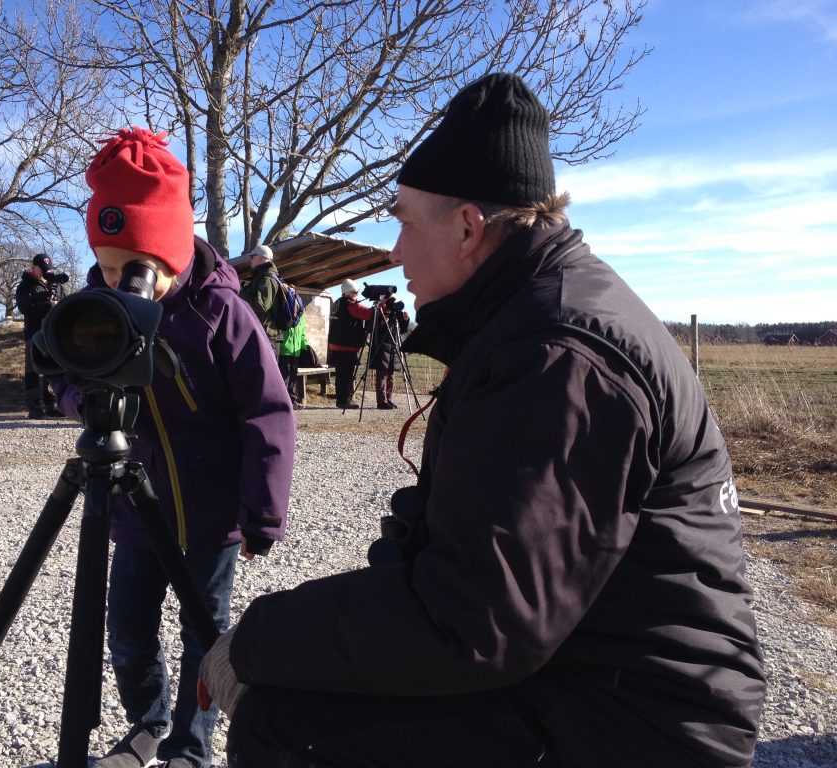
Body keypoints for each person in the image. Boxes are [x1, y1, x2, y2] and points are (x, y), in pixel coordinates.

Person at [199, 73, 765, 767]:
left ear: (468, 226)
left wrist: (256, 639)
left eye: (404, 222)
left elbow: (476, 621)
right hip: (591, 673)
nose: (396, 251)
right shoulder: (530, 317)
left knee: (286, 727)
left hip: (640, 721)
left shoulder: (558, 355)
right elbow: (465, 553)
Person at [55, 127, 296, 768]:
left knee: (204, 635)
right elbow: (55, 365)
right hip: (138, 507)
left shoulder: (222, 312)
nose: (119, 284)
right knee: (127, 631)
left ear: (172, 251)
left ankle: (193, 747)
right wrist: (84, 403)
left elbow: (269, 414)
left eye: (136, 268)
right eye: (105, 268)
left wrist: (262, 511)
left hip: (213, 513)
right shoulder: (96, 307)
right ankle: (149, 725)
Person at [15, 252, 66, 419]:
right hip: (33, 333)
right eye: (42, 269)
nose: (45, 272)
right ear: (34, 267)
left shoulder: (57, 285)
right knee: (32, 371)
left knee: (52, 369)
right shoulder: (25, 286)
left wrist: (58, 305)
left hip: (54, 334)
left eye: (47, 269)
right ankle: (34, 407)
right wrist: (47, 305)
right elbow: (25, 309)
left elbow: (65, 304)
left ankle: (51, 405)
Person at [326, 279, 372, 408]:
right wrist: (382, 306)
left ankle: (344, 399)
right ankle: (343, 401)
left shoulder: (337, 303)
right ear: (347, 292)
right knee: (346, 375)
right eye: (355, 292)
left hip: (336, 343)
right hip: (346, 345)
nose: (357, 295)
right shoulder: (350, 305)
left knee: (342, 374)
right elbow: (368, 314)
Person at [367, 293, 410, 409]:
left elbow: (402, 330)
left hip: (394, 345)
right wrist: (383, 312)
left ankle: (388, 399)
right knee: (382, 375)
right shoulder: (379, 310)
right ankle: (381, 402)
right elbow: (372, 327)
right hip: (382, 346)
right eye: (390, 299)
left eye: (394, 299)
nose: (393, 301)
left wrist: (405, 320)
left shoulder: (396, 313)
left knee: (390, 375)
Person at [237, 244, 279, 343]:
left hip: (265, 336)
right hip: (260, 333)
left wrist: (241, 293)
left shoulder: (267, 279)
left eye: (252, 257)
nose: (250, 260)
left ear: (260, 258)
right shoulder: (260, 278)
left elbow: (261, 305)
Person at [277, 313, 308, 407]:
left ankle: (292, 400)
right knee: (284, 377)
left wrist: (304, 346)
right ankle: (283, 401)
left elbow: (302, 331)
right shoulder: (285, 310)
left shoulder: (301, 314)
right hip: (284, 350)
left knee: (293, 377)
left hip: (296, 351)